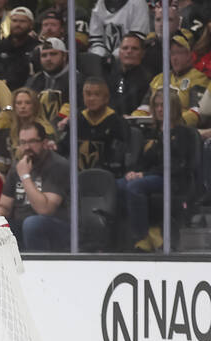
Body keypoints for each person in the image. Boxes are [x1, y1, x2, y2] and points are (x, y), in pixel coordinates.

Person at [118, 88, 200, 251]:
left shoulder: (184, 133)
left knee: (135, 186)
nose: (160, 109)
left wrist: (144, 175)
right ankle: (148, 232)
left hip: (174, 180)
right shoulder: (153, 133)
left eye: (164, 105)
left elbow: (177, 166)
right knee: (119, 185)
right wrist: (134, 172)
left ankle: (141, 238)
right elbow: (143, 160)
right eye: (156, 105)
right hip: (152, 177)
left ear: (174, 107)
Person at [0, 122, 71, 251]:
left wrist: (25, 176)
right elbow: (4, 206)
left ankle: (38, 263)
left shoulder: (57, 165)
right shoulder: (18, 166)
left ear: (44, 143)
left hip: (53, 226)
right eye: (23, 142)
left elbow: (45, 210)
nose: (27, 147)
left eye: (32, 141)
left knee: (32, 224)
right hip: (21, 225)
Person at [71, 76, 128, 176]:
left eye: (97, 94)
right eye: (88, 94)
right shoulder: (77, 119)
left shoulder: (117, 122)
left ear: (106, 98)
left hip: (107, 175)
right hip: (76, 175)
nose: (91, 98)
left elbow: (119, 156)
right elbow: (64, 147)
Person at [0, 87, 57, 170]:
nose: (23, 106)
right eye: (19, 103)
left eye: (28, 103)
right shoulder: (8, 130)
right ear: (14, 106)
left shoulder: (46, 130)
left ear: (35, 106)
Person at [0, 5, 38, 91]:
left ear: (31, 25)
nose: (18, 24)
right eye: (14, 21)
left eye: (22, 21)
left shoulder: (37, 48)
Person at [27, 37, 76, 130]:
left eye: (53, 54)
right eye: (44, 55)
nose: (48, 59)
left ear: (64, 56)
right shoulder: (34, 80)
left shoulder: (76, 80)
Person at [108, 31, 151, 117]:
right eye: (125, 48)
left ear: (142, 53)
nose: (129, 51)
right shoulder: (110, 75)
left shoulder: (149, 80)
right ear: (119, 52)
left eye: (134, 48)